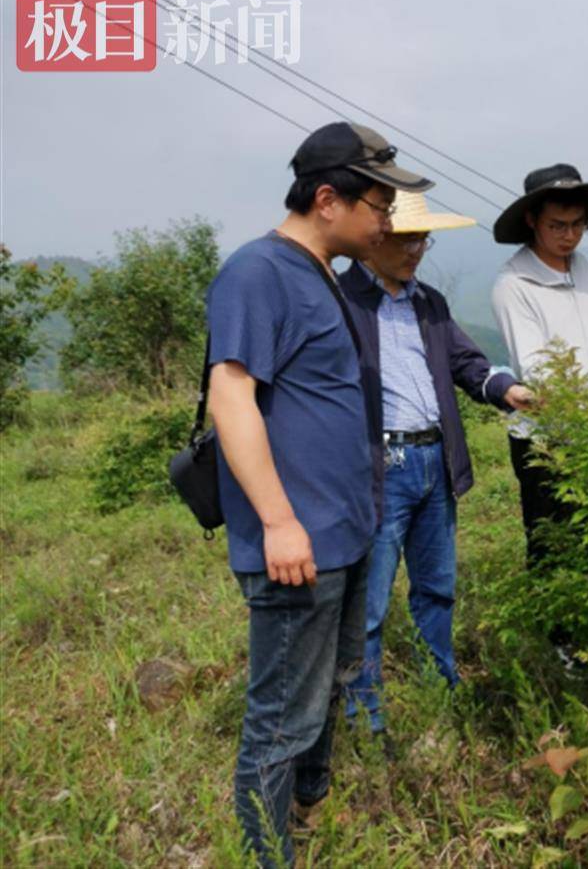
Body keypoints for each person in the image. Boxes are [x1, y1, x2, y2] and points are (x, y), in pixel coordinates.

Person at [205, 122, 431, 866]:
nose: (388, 223)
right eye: (380, 205)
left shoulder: (319, 273)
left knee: (330, 686)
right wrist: (278, 522)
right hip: (299, 541)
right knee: (280, 718)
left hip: (345, 533)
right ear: (328, 198)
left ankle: (306, 810)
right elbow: (231, 397)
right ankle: (271, 854)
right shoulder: (258, 272)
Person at [338, 192, 533, 732]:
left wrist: (506, 389)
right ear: (374, 236)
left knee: (436, 587)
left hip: (433, 461)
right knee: (369, 602)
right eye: (406, 238)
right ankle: (364, 716)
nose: (417, 250)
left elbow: (467, 361)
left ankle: (439, 688)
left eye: (423, 238)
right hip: (378, 467)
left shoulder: (429, 303)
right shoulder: (341, 303)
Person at [490, 163, 588, 566]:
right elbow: (537, 368)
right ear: (532, 220)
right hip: (544, 437)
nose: (569, 236)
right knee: (551, 538)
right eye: (557, 225)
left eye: (578, 225)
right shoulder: (513, 284)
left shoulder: (585, 268)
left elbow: (587, 345)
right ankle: (555, 629)